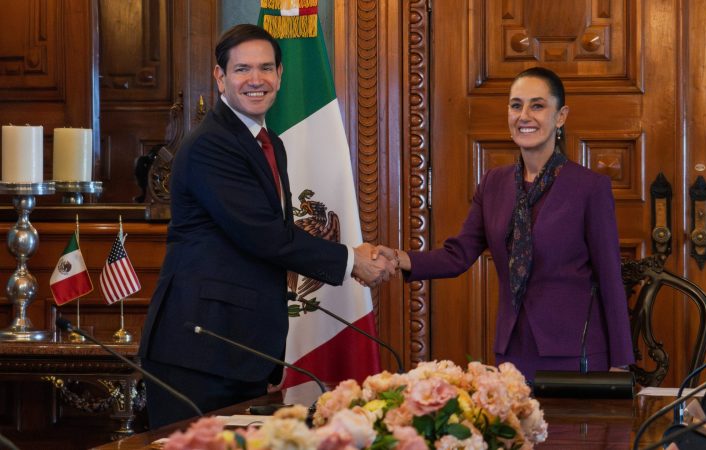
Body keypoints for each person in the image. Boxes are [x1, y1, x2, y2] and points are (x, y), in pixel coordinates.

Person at [138, 24, 396, 429]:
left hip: (241, 349)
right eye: (242, 69)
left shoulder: (269, 141)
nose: (255, 80)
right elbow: (263, 235)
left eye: (265, 68)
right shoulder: (212, 144)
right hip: (199, 350)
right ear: (220, 77)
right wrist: (351, 260)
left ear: (280, 75)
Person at [376, 67, 634, 380]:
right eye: (516, 105)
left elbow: (610, 278)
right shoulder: (494, 183)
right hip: (513, 349)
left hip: (574, 352)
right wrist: (398, 258)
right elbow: (458, 254)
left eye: (537, 106)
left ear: (561, 116)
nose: (524, 115)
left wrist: (620, 364)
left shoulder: (589, 188)